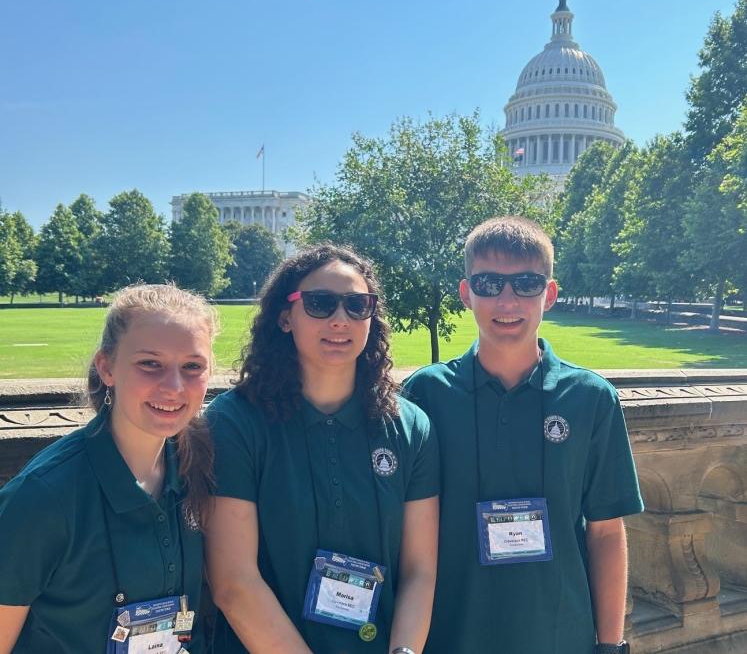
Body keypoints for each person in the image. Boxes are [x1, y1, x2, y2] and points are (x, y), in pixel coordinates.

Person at [402, 217, 643, 654]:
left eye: (527, 283)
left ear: (549, 294)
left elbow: (606, 531)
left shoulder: (590, 398)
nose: (507, 299)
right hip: (450, 635)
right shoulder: (426, 394)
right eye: (489, 283)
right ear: (465, 293)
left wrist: (611, 646)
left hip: (559, 637)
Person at [205, 244, 439, 654]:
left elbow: (420, 570)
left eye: (357, 305)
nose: (340, 319)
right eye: (320, 304)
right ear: (284, 317)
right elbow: (233, 583)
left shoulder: (409, 426)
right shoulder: (234, 423)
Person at [0, 283, 217, 654]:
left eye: (192, 366)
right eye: (150, 364)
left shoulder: (195, 468)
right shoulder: (42, 498)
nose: (174, 387)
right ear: (106, 368)